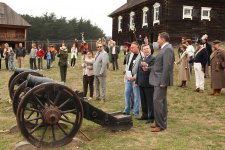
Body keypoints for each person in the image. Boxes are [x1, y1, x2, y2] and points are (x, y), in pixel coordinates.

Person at [149, 32, 175, 132]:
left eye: (158, 38)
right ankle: (160, 123)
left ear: (163, 40)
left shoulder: (168, 49)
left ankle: (160, 125)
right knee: (161, 101)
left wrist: (163, 82)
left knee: (157, 101)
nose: (157, 40)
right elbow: (159, 66)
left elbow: (167, 66)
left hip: (160, 81)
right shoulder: (165, 48)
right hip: (158, 79)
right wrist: (148, 68)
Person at [135, 44, 155, 124]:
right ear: (142, 51)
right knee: (143, 100)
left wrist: (146, 65)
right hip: (141, 82)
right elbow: (138, 71)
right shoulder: (141, 58)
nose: (146, 50)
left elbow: (153, 68)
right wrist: (137, 81)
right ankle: (144, 115)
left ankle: (151, 117)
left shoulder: (153, 58)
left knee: (150, 101)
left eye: (147, 49)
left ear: (150, 49)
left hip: (149, 83)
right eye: (144, 49)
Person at [123, 42, 143, 116]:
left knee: (136, 96)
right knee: (127, 93)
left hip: (136, 79)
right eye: (131, 48)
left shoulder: (141, 55)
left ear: (137, 47)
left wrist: (134, 78)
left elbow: (140, 69)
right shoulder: (131, 54)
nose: (131, 49)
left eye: (133, 48)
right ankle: (127, 109)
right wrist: (127, 75)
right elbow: (128, 65)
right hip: (128, 78)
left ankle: (135, 111)